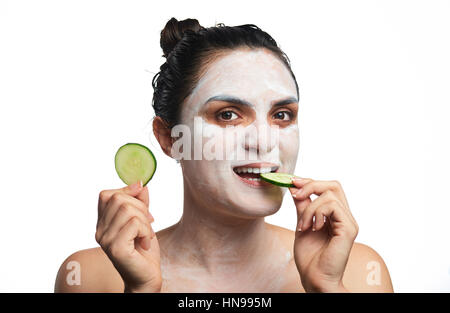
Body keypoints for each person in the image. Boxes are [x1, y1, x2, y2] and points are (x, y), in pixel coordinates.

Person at [55, 17, 394, 293]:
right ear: (170, 138)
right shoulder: (89, 277)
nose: (264, 142)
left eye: (281, 115)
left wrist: (326, 288)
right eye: (228, 114)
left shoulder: (360, 272)